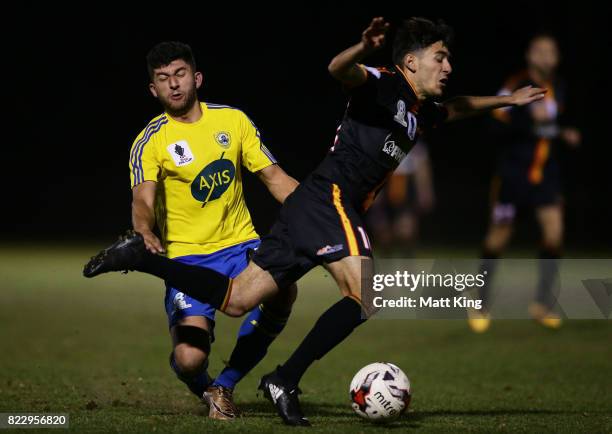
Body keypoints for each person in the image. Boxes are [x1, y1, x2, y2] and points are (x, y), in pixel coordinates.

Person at [84, 18, 546, 426]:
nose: (448, 67)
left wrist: (508, 99)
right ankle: (285, 378)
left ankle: (144, 263)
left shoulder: (421, 112)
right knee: (367, 293)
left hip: (309, 205)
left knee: (239, 301)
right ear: (410, 60)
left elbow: (458, 107)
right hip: (331, 199)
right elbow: (338, 70)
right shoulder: (384, 83)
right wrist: (364, 47)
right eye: (440, 58)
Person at [120, 41, 299, 419]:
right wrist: (142, 231)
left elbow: (274, 177)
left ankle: (227, 383)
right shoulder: (150, 141)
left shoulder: (232, 121)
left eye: (180, 74)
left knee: (284, 288)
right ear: (153, 90)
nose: (173, 84)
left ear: (196, 78)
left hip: (241, 244)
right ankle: (204, 386)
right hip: (187, 258)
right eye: (163, 79)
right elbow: (142, 200)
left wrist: (322, 213)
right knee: (189, 358)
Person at [468, 34, 581, 333]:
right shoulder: (516, 83)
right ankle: (479, 301)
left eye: (551, 51)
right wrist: (529, 122)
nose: (546, 56)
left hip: (546, 177)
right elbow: (493, 125)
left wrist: (563, 132)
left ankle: (542, 304)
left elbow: (549, 128)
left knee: (555, 235)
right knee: (497, 240)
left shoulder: (560, 86)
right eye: (540, 51)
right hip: (513, 177)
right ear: (530, 55)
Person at [366, 138, 435, 255]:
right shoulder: (383, 139)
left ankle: (407, 264)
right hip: (385, 187)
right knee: (383, 234)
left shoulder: (415, 143)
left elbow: (422, 167)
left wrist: (425, 192)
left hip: (405, 188)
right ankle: (386, 263)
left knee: (406, 232)